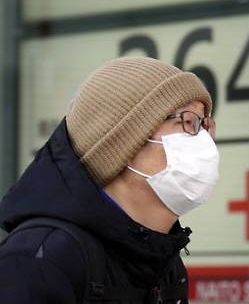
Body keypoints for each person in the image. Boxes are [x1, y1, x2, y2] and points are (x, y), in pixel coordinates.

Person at [0, 57, 220, 303]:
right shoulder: (40, 261)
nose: (204, 140)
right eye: (189, 122)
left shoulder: (163, 262)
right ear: (125, 143)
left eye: (204, 125)